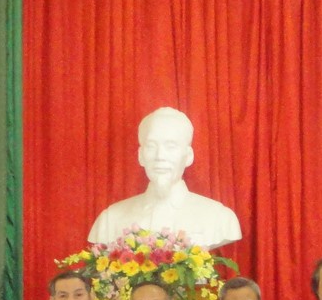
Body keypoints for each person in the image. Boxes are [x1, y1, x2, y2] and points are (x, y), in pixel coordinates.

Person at [87, 106, 241, 249]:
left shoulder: (219, 218)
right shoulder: (110, 220)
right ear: (140, 156)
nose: (160, 156)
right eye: (151, 146)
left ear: (188, 156)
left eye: (170, 146)